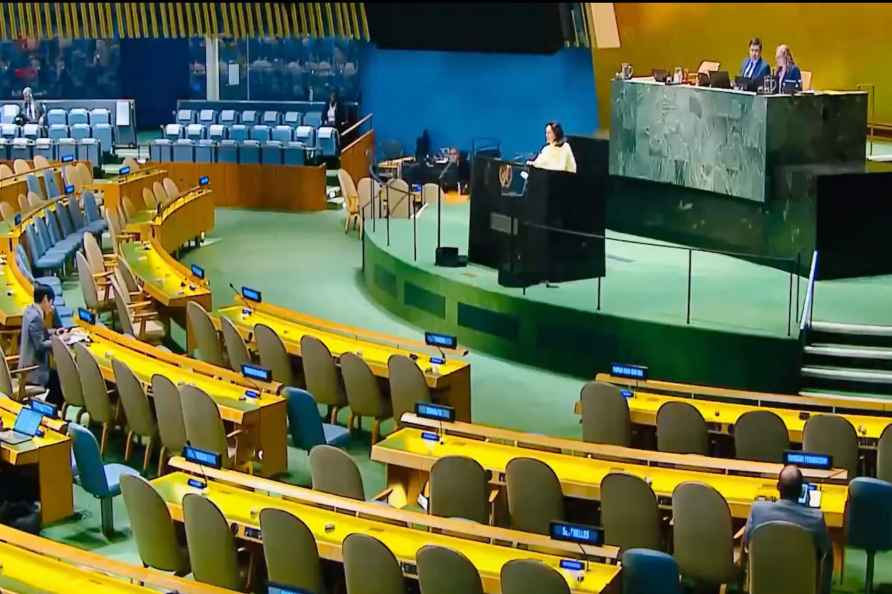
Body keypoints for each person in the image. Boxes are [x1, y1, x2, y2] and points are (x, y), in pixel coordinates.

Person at [744, 465, 832, 594]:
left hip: (763, 583)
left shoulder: (757, 510)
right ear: (802, 491)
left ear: (778, 487)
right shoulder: (816, 518)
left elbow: (746, 543)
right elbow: (827, 555)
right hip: (801, 586)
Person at [18, 284, 67, 406]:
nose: (51, 306)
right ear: (45, 299)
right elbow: (40, 345)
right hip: (33, 371)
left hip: (27, 364)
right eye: (51, 302)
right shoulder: (36, 318)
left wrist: (55, 332)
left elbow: (39, 333)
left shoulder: (30, 311)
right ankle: (50, 413)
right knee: (62, 381)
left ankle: (48, 409)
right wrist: (60, 341)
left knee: (58, 377)